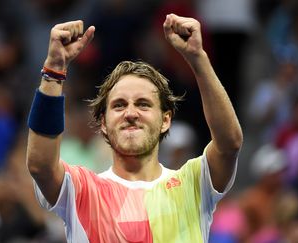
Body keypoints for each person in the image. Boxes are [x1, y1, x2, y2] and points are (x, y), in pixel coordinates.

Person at [26, 13, 243, 242]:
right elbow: (40, 164)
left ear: (165, 120)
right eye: (119, 105)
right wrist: (54, 69)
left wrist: (198, 59)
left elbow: (229, 143)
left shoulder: (193, 184)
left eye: (143, 104)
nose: (131, 113)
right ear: (104, 124)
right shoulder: (81, 190)